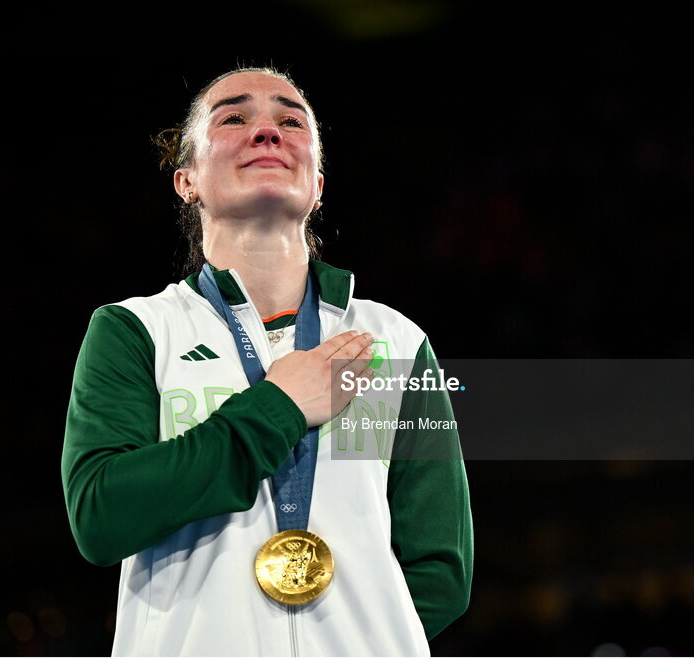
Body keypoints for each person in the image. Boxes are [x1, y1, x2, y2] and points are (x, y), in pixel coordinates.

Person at [61, 67, 473, 656]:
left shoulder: (396, 344)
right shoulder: (137, 331)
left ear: (319, 182)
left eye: (290, 120)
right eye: (234, 118)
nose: (267, 132)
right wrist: (278, 407)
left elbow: (442, 569)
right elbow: (102, 514)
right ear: (187, 181)